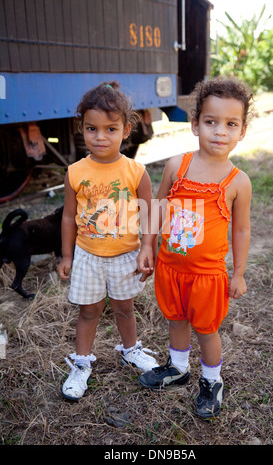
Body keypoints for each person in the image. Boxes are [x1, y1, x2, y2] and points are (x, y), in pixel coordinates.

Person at [137, 76, 253, 419]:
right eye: (210, 122)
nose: (220, 131)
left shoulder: (238, 182)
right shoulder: (177, 166)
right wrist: (147, 246)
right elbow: (156, 210)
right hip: (170, 268)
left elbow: (242, 230)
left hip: (207, 276)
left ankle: (211, 381)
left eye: (230, 124)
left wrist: (240, 272)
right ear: (195, 125)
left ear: (242, 131)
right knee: (174, 319)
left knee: (206, 329)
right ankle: (177, 367)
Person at [57, 81, 158, 401]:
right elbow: (69, 217)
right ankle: (81, 364)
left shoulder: (135, 171)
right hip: (88, 255)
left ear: (126, 130)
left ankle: (131, 350)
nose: (101, 137)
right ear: (81, 129)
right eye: (92, 128)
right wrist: (66, 255)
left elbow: (149, 213)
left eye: (110, 129)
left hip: (125, 255)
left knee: (125, 309)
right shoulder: (74, 172)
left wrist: (146, 247)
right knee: (89, 312)